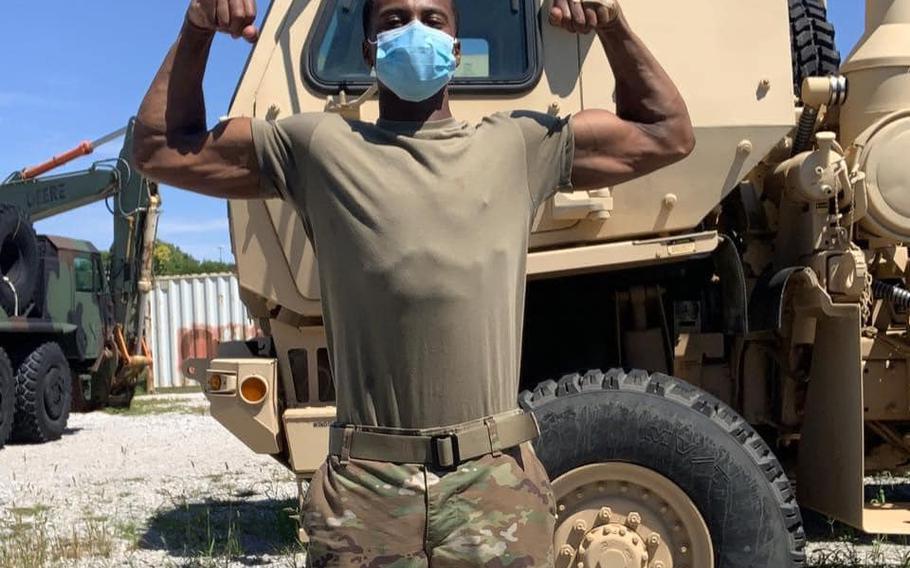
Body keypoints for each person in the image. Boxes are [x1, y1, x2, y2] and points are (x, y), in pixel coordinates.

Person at [133, 0, 693, 565]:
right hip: (366, 485)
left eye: (433, 18)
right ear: (369, 49)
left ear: (455, 48)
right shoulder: (318, 149)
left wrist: (613, 24)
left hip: (493, 480)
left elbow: (666, 133)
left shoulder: (520, 145)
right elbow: (158, 149)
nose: (414, 31)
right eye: (393, 20)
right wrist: (196, 29)